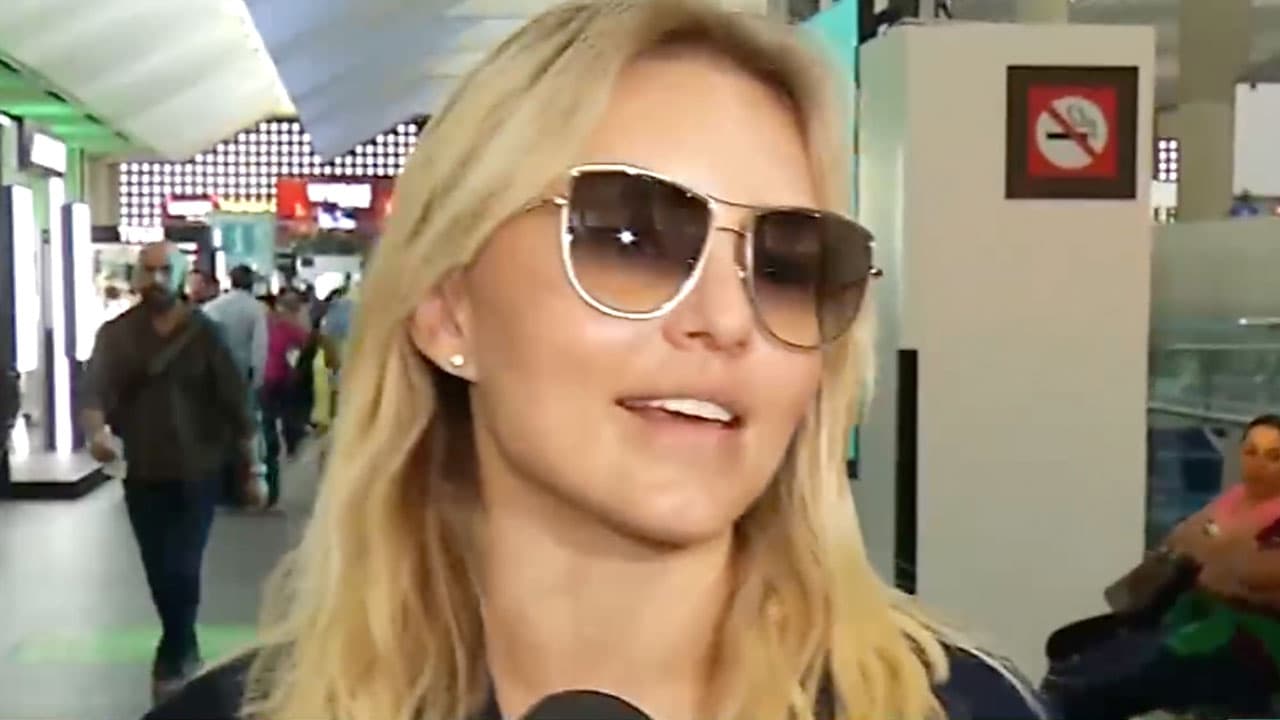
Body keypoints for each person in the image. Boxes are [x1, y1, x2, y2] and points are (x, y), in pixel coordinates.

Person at [147, 2, 1046, 719]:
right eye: (630, 238)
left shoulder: (961, 708)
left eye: (787, 265)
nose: (727, 320)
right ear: (449, 307)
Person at [81, 242, 263, 704]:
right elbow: (94, 392)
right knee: (159, 568)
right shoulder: (116, 335)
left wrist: (253, 468)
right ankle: (182, 645)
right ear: (137, 275)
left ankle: (174, 655)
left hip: (198, 469)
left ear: (181, 275)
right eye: (149, 270)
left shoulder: (206, 334)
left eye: (166, 270)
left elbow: (237, 404)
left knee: (182, 565)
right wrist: (97, 433)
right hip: (143, 471)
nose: (157, 280)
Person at [1048, 414, 1280, 719]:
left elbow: (1253, 573)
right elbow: (1179, 540)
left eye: (1274, 456)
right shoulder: (1235, 498)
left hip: (1252, 639)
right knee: (1077, 661)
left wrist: (1214, 545)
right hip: (1189, 616)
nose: (1258, 464)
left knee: (1100, 684)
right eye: (1251, 452)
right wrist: (1225, 548)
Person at [259, 288, 312, 507]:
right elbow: (300, 360)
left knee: (269, 425)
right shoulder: (297, 333)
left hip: (268, 381)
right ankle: (289, 443)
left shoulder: (268, 326)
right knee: (287, 421)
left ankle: (274, 453)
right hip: (284, 383)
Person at [202, 265, 268, 388]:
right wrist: (257, 379)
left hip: (214, 370)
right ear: (252, 282)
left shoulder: (211, 307)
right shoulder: (256, 308)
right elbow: (259, 346)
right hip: (242, 371)